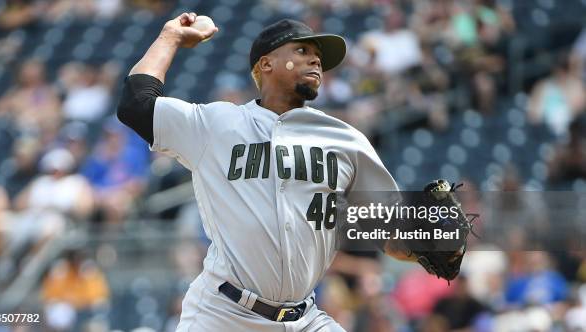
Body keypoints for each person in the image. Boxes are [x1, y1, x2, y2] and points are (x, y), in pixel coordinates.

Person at [117, 13, 422, 331]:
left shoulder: (345, 139)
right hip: (222, 314)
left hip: (304, 318)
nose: (316, 60)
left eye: (318, 56)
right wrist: (171, 36)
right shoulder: (218, 124)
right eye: (302, 51)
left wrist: (436, 242)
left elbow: (391, 233)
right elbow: (136, 103)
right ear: (266, 64)